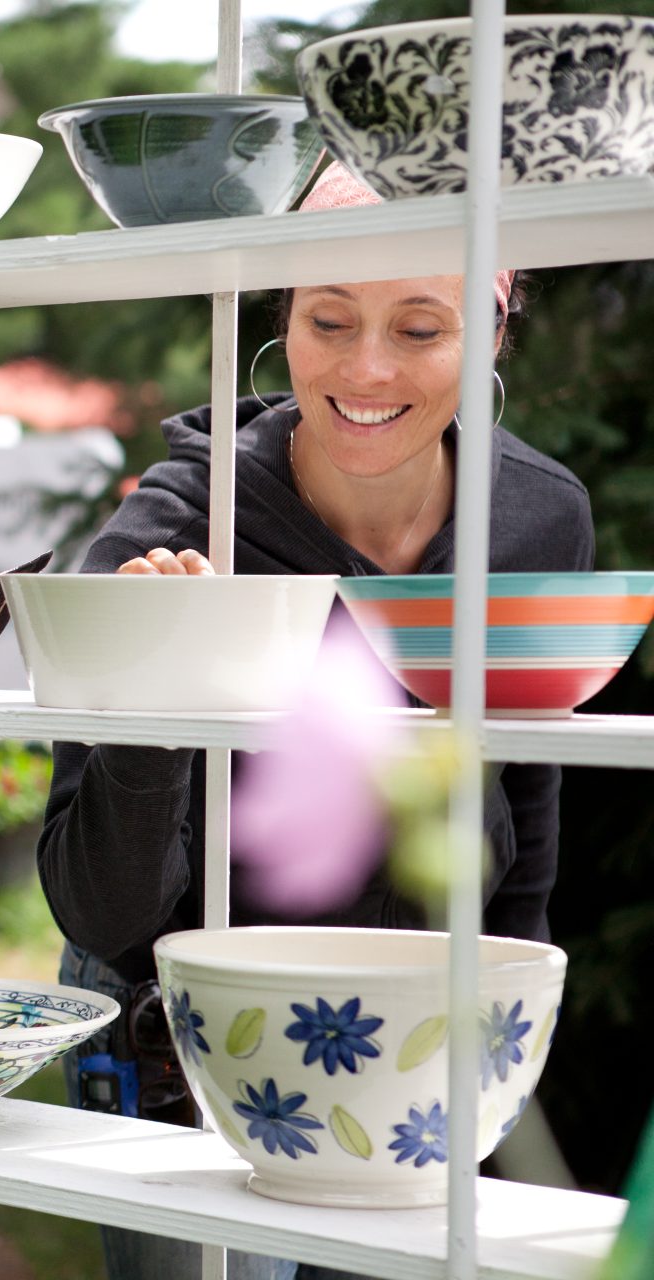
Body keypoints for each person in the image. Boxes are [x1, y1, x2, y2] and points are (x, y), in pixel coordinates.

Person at [41, 163, 593, 1279]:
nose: (369, 367)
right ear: (280, 321)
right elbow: (102, 911)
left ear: (491, 330)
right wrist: (157, 685)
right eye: (328, 319)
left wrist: (498, 1058)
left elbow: (523, 823)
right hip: (181, 1040)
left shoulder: (535, 520)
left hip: (414, 1034)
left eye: (420, 326)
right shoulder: (176, 530)